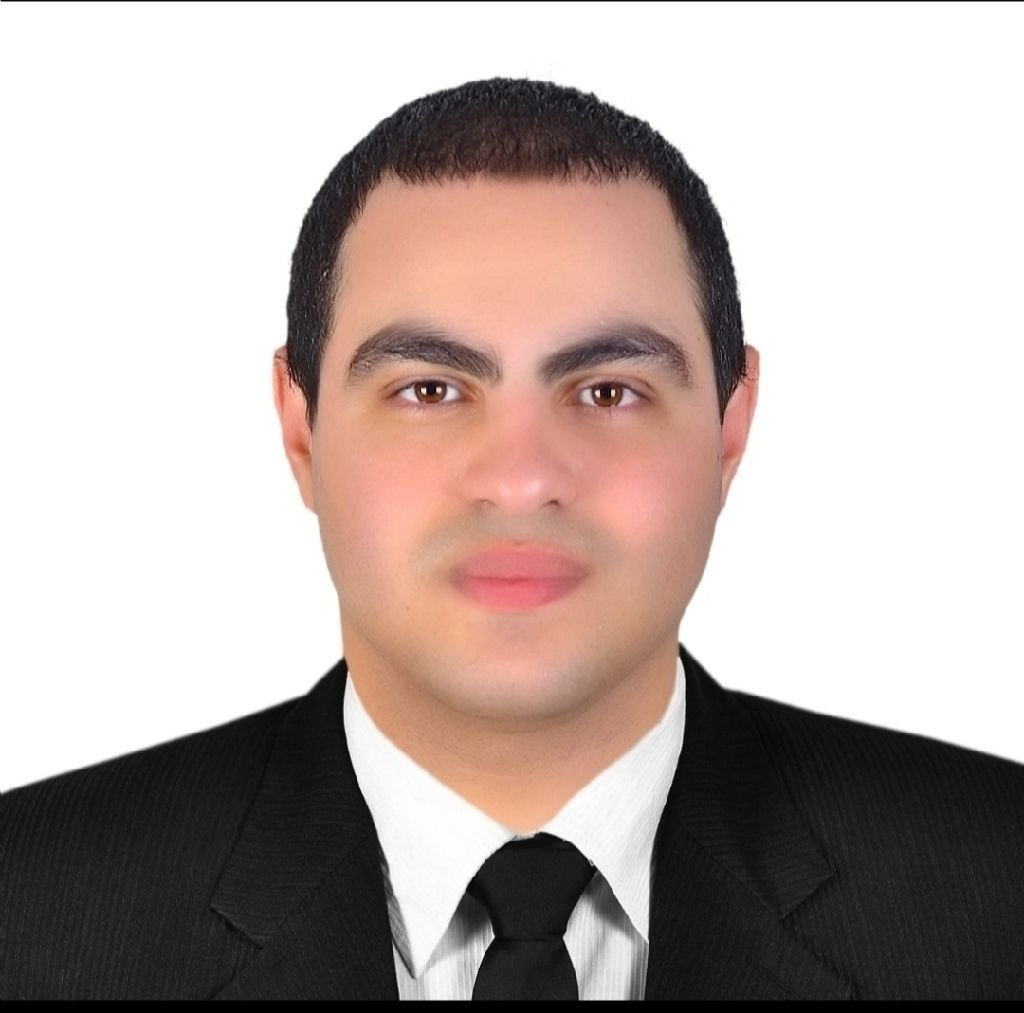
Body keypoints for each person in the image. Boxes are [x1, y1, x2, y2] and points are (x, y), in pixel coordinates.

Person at [2, 76, 1022, 1002]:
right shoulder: (30, 912)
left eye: (608, 390)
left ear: (728, 429)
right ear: (301, 430)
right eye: (430, 389)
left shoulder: (998, 891)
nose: (523, 478)